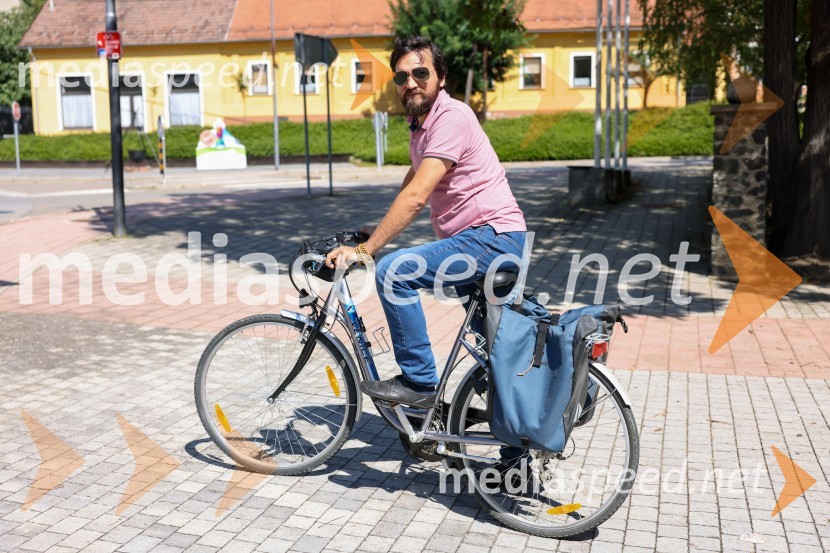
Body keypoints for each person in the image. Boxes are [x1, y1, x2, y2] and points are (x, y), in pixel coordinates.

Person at [325, 35, 527, 409]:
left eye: (420, 72)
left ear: (441, 77)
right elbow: (413, 181)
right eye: (401, 77)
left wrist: (366, 250)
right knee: (497, 356)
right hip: (486, 242)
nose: (411, 83)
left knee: (394, 271)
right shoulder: (421, 125)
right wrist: (375, 230)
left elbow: (417, 197)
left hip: (490, 238)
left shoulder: (450, 117)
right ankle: (511, 456)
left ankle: (419, 383)